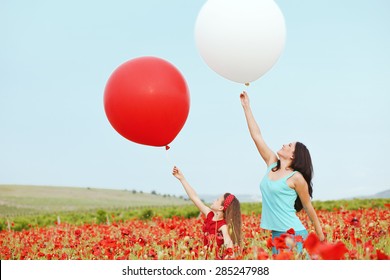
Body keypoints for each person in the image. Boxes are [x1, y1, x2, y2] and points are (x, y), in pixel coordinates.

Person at [240, 91, 325, 255]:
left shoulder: (296, 178)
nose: (284, 144)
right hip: (276, 234)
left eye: (289, 145)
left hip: (294, 235)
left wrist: (320, 235)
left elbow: (308, 207)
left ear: (293, 156)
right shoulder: (272, 163)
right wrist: (246, 107)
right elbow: (257, 137)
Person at [172, 166, 242, 259]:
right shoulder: (210, 214)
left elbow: (229, 245)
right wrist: (182, 179)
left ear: (221, 207)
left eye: (217, 200)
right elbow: (194, 198)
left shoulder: (223, 226)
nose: (214, 200)